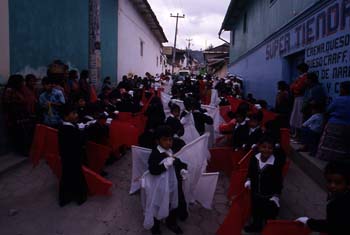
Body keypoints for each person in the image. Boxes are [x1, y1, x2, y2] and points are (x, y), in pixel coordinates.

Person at [148, 126, 188, 235]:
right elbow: (152, 170)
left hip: (172, 184)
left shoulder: (170, 150)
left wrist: (183, 169)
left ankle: (171, 223)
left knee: (173, 203)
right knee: (158, 204)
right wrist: (164, 165)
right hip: (160, 187)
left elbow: (177, 162)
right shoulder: (155, 154)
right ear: (157, 141)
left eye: (170, 139)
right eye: (165, 140)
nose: (168, 142)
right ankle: (155, 227)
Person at [295, 161, 350, 235]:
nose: (332, 186)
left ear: (348, 184)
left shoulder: (342, 204)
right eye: (329, 181)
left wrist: (309, 222)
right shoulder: (337, 195)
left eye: (338, 183)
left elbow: (333, 226)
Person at [244, 136, 284, 233]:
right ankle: (255, 226)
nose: (266, 150)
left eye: (270, 148)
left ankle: (267, 230)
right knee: (256, 211)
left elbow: (279, 180)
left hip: (268, 195)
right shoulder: (254, 158)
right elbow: (250, 171)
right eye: (264, 147)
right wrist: (248, 179)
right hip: (256, 192)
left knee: (268, 214)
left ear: (273, 149)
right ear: (259, 147)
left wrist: (276, 195)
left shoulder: (275, 164)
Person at [58, 104, 88, 207]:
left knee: (66, 177)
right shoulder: (69, 129)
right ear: (66, 116)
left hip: (66, 157)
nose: (76, 115)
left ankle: (65, 198)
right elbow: (80, 142)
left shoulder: (64, 126)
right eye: (73, 113)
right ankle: (80, 197)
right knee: (77, 177)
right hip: (73, 157)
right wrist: (82, 130)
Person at [317, 81, 350, 161]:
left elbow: (328, 110)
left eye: (341, 88)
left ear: (344, 89)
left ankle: (326, 157)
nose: (340, 90)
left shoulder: (338, 99)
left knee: (329, 143)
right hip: (347, 126)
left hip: (334, 125)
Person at [290, 62, 309, 138]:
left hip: (301, 98)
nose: (298, 71)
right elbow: (292, 87)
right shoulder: (300, 77)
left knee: (299, 116)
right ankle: (296, 133)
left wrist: (294, 87)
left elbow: (298, 88)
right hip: (298, 97)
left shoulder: (304, 77)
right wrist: (294, 87)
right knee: (296, 115)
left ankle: (298, 134)